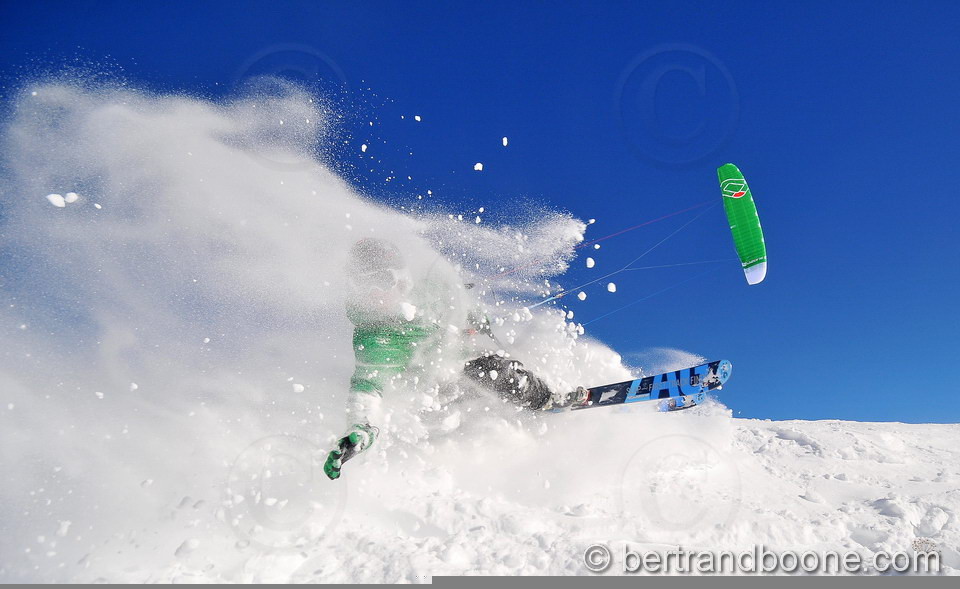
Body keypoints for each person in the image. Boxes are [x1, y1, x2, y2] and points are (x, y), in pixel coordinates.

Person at [322, 238, 586, 480]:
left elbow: (465, 305)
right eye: (363, 284)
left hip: (466, 363)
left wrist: (476, 321)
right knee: (485, 370)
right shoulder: (375, 338)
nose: (374, 293)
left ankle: (542, 396)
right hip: (434, 392)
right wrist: (361, 432)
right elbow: (368, 388)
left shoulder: (431, 290)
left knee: (491, 366)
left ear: (400, 276)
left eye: (382, 280)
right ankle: (540, 401)